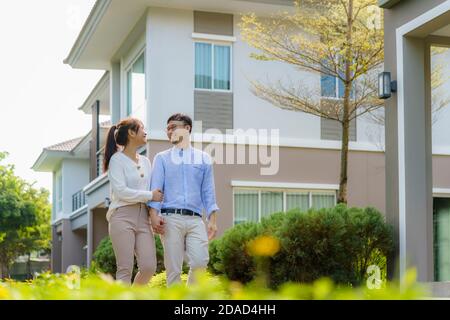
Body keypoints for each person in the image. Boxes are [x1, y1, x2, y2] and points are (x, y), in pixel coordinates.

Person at [148, 113, 219, 286]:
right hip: (170, 218)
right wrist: (153, 215)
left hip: (195, 219)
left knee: (200, 262)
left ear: (187, 128)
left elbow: (208, 192)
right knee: (174, 269)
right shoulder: (162, 158)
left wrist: (213, 220)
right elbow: (155, 190)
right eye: (168, 128)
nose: (169, 130)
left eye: (173, 126)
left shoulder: (203, 158)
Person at [103, 117, 164, 285]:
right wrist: (150, 195)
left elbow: (154, 190)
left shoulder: (145, 161)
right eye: (142, 128)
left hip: (143, 218)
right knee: (125, 268)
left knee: (149, 267)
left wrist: (154, 213)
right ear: (131, 133)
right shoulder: (116, 160)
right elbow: (121, 192)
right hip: (122, 216)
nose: (145, 132)